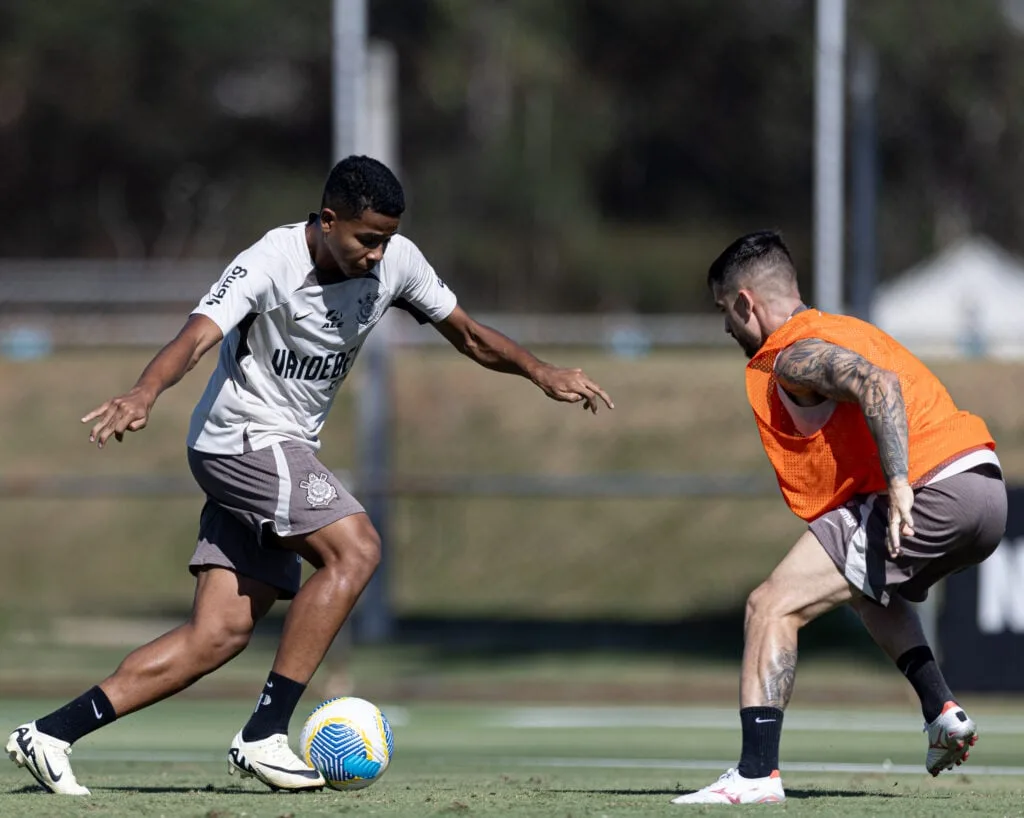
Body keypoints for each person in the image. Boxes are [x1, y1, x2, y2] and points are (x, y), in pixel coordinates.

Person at [6, 155, 614, 796]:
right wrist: (144, 391)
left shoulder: (397, 261)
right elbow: (195, 336)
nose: (379, 255)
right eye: (366, 239)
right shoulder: (269, 262)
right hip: (240, 442)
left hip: (280, 451)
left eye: (386, 240)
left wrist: (541, 371)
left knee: (218, 635)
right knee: (357, 549)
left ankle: (49, 735)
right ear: (328, 221)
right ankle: (265, 735)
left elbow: (468, 335)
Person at [672, 231, 1006, 806]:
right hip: (984, 490)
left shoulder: (794, 352)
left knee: (770, 605)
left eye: (726, 311)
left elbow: (877, 383)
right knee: (867, 589)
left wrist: (900, 483)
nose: (727, 328)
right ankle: (941, 711)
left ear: (747, 303)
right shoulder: (844, 326)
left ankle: (756, 774)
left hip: (930, 488)